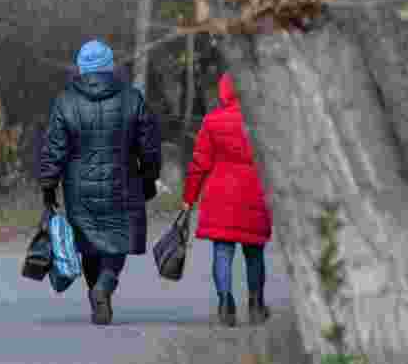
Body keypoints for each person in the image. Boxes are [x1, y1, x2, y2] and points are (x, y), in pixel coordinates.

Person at [38, 40, 162, 325]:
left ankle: (96, 293)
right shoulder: (132, 98)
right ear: (110, 67)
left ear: (81, 68)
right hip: (123, 182)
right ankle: (104, 286)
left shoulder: (66, 101)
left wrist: (48, 184)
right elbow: (149, 145)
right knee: (116, 240)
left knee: (89, 242)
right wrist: (149, 177)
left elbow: (54, 147)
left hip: (79, 187)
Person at [181, 72, 272, 327]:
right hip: (254, 194)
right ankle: (256, 304)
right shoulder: (262, 121)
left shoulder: (212, 121)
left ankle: (225, 303)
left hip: (220, 195)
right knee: (254, 253)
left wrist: (189, 198)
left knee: (222, 252)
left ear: (224, 91)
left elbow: (199, 163)